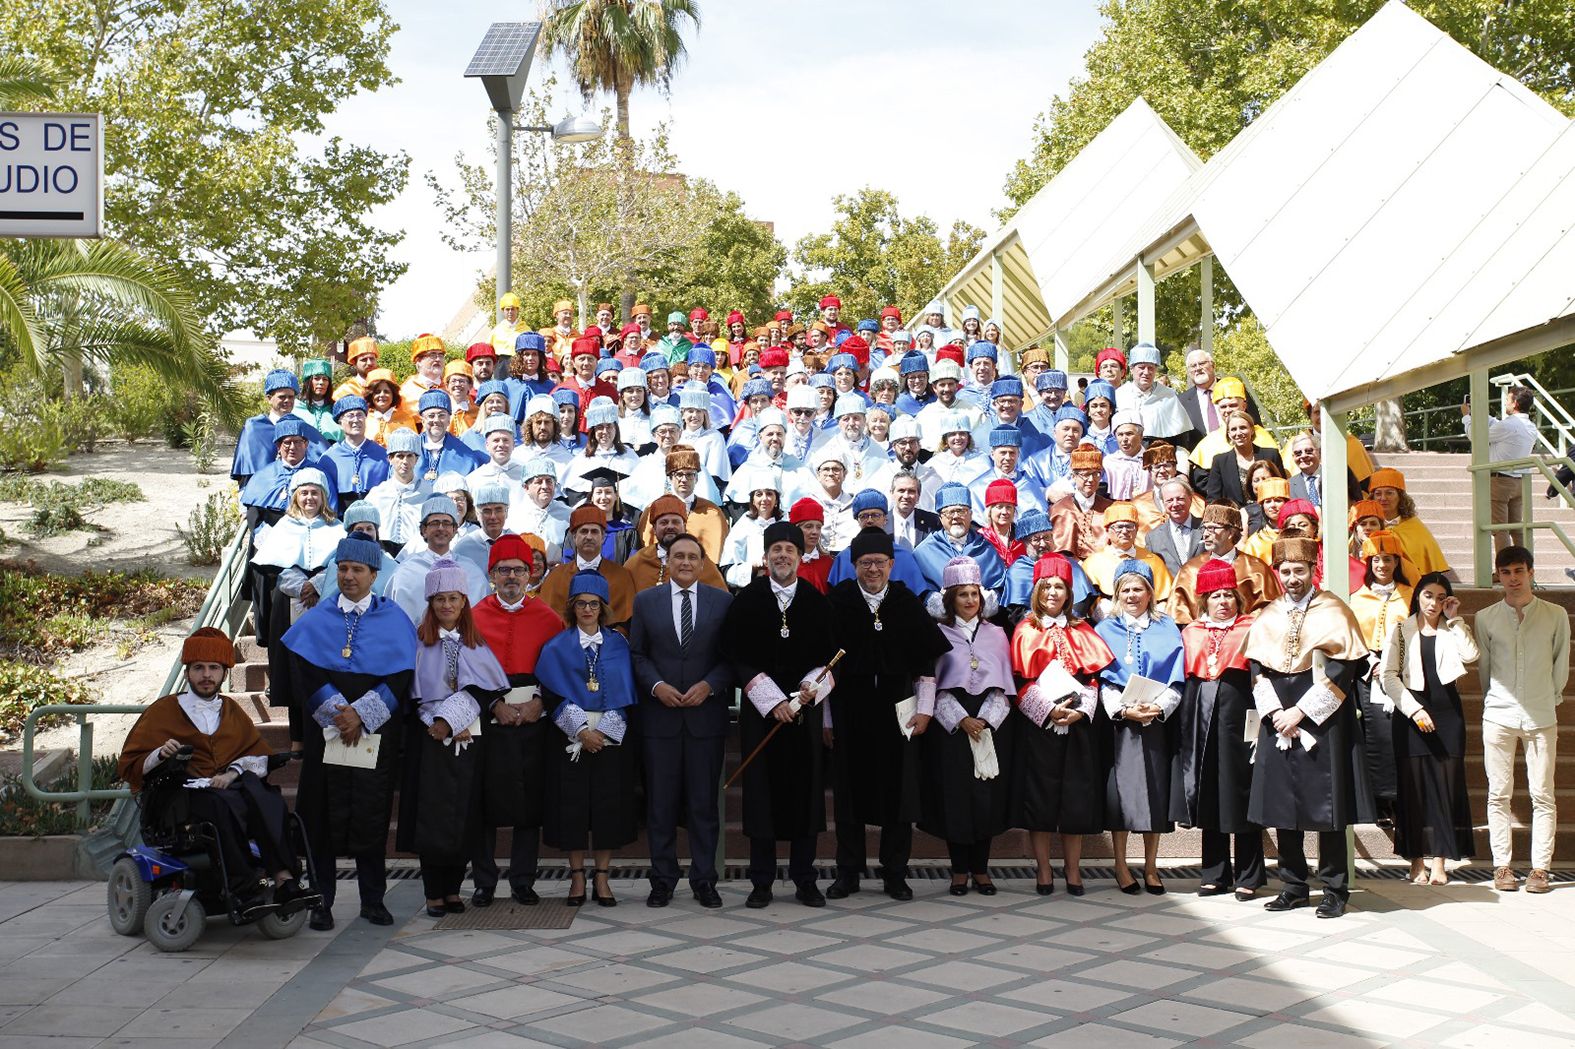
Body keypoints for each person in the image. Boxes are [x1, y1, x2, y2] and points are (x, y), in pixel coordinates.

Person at [118, 628, 316, 914]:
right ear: (187, 673)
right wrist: (160, 754)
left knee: (265, 796)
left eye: (214, 668)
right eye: (199, 668)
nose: (206, 675)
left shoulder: (232, 710)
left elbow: (256, 753)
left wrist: (232, 773)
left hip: (227, 787)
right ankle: (241, 884)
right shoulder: (163, 711)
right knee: (221, 803)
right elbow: (130, 764)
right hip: (180, 794)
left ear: (224, 673)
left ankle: (283, 877)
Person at [278, 535, 417, 930]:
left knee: (371, 815)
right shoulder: (318, 619)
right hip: (328, 733)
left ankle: (373, 899)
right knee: (320, 818)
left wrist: (364, 715)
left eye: (357, 570)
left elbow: (401, 675)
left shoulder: (393, 619)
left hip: (374, 735)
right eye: (342, 569)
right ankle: (322, 900)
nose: (348, 576)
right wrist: (341, 715)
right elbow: (305, 673)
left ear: (374, 574)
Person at [1244, 537, 1371, 919]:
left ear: (1312, 570)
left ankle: (1335, 887)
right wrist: (1275, 714)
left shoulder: (1334, 609)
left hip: (1322, 717)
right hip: (1277, 717)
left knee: (1326, 804)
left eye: (1299, 570)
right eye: (1285, 571)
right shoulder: (1268, 614)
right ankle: (1293, 885)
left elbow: (1343, 670)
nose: (1292, 577)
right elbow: (1257, 670)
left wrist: (1300, 712)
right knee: (1284, 803)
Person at [824, 528, 951, 901]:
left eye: (880, 562)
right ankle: (848, 872)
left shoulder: (906, 602)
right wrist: (827, 719)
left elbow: (925, 664)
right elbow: (826, 667)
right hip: (850, 711)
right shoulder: (839, 602)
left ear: (892, 564)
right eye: (866, 563)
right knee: (849, 796)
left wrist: (926, 710)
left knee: (900, 794)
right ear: (854, 566)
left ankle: (895, 873)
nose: (874, 569)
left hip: (899, 713)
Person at [725, 521, 838, 908]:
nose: (783, 557)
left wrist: (810, 689)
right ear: (766, 556)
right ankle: (761, 882)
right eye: (776, 551)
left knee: (806, 797)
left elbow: (830, 658)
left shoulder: (816, 600)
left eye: (789, 551)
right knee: (762, 796)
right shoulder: (747, 600)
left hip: (804, 715)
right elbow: (737, 656)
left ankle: (806, 879)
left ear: (799, 556)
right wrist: (773, 701)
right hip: (763, 715)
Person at [630, 534, 734, 908]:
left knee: (704, 806)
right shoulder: (646, 601)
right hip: (661, 720)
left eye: (692, 556)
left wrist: (711, 685)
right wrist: (656, 686)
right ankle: (663, 879)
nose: (685, 562)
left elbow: (730, 658)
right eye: (678, 556)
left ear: (703, 563)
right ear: (667, 562)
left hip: (705, 719)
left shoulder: (722, 602)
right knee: (660, 805)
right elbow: (637, 654)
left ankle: (705, 879)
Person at [399, 560, 509, 917]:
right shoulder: (417, 643)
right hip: (429, 741)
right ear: (430, 604)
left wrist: (456, 717)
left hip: (468, 740)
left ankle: (453, 889)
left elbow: (484, 690)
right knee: (434, 815)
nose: (447, 606)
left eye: (454, 599)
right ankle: (433, 890)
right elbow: (413, 694)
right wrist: (438, 721)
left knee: (463, 814)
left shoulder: (476, 645)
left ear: (464, 603)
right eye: (439, 599)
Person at [1009, 554, 1113, 894]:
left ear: (1069, 593)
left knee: (1076, 798)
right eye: (1047, 586)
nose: (1053, 593)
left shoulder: (1083, 629)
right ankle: (1042, 870)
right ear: (1037, 590)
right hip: (1040, 726)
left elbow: (1094, 679)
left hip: (1078, 724)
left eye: (1060, 587)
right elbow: (1019, 681)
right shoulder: (1026, 630)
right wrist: (1048, 711)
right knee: (1040, 798)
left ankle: (1073, 870)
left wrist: (1081, 711)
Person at [535, 571, 640, 907]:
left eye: (593, 604)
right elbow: (550, 694)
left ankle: (603, 878)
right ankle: (577, 877)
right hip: (570, 737)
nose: (587, 610)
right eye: (581, 604)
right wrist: (581, 731)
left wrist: (603, 732)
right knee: (573, 807)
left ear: (603, 608)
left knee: (609, 806)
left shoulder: (618, 645)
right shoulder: (556, 646)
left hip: (611, 736)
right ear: (572, 608)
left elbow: (627, 694)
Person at [1473, 545, 1569, 893]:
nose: (1513, 579)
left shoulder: (1555, 614)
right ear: (1498, 575)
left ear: (1530, 572)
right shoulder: (1485, 617)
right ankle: (1502, 867)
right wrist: (1492, 701)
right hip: (1498, 713)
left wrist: (1549, 696)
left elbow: (1561, 663)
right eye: (1506, 572)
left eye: (1519, 571)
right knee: (1498, 792)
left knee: (1542, 793)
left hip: (1541, 712)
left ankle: (1540, 868)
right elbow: (1484, 667)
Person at [920, 557, 1016, 896]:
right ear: (950, 599)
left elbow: (1005, 683)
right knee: (955, 794)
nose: (970, 601)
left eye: (974, 594)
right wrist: (961, 719)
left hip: (990, 720)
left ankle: (982, 870)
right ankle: (959, 870)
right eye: (963, 595)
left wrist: (985, 719)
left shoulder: (997, 633)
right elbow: (932, 681)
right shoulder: (937, 633)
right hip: (951, 722)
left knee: (985, 794)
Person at [1379, 572, 1479, 885]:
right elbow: (1388, 677)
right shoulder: (1400, 630)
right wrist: (1414, 709)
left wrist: (1456, 619)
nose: (1433, 602)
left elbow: (1471, 655)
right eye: (1427, 595)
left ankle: (1440, 862)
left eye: (1440, 597)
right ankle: (1416, 861)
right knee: (1413, 792)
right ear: (1417, 596)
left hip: (1448, 717)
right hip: (1411, 717)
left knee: (1445, 791)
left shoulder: (1452, 629)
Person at [1173, 560, 1264, 899]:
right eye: (1215, 596)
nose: (1223, 601)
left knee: (1242, 790)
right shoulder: (1191, 631)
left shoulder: (1252, 627)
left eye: (1228, 595)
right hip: (1201, 718)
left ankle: (1249, 875)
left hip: (1241, 715)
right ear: (1204, 601)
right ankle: (1214, 872)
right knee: (1209, 790)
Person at [1095, 560, 1185, 895]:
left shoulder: (1167, 628)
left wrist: (1158, 706)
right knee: (1121, 796)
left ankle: (1150, 866)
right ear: (1117, 594)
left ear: (1150, 592)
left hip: (1155, 721)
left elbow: (1176, 677)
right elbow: (1102, 678)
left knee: (1155, 794)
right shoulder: (1106, 630)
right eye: (1126, 590)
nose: (1133, 595)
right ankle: (1120, 865)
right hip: (1121, 724)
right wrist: (1122, 710)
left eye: (1139, 589)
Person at [1348, 531, 1413, 824]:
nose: (1382, 565)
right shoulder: (1356, 597)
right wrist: (1371, 662)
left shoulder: (1410, 594)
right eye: (1377, 559)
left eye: (1388, 559)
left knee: (1400, 733)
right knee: (1375, 735)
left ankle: (1403, 799)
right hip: (1368, 671)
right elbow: (1351, 637)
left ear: (1397, 562)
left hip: (1403, 671)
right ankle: (1379, 800)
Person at [1169, 502, 1281, 625]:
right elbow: (1179, 614)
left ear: (1231, 533)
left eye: (1212, 528)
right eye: (1205, 528)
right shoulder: (1190, 570)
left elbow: (1269, 611)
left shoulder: (1255, 569)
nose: (1205, 534)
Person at [384, 496, 491, 624]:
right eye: (434, 523)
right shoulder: (406, 572)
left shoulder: (471, 571)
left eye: (446, 523)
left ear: (454, 529)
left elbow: (484, 619)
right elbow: (393, 620)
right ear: (424, 530)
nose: (441, 528)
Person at [1462, 385, 1539, 549]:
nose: (1505, 404)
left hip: (1500, 482)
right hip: (1519, 482)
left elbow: (1476, 435)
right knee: (1517, 528)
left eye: (1507, 400)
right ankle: (1524, 567)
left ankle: (1504, 569)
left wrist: (1466, 418)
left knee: (1499, 529)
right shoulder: (1530, 427)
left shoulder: (1509, 426)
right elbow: (1498, 425)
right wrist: (1479, 412)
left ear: (1515, 403)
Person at [537, 504, 637, 630]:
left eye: (594, 531)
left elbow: (626, 624)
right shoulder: (555, 577)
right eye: (584, 531)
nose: (589, 537)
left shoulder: (621, 576)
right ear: (574, 537)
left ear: (603, 537)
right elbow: (547, 623)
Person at [912, 483, 1008, 601]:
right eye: (950, 512)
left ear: (971, 515)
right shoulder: (924, 552)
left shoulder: (986, 548)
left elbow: (1000, 588)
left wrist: (988, 601)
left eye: (961, 511)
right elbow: (918, 591)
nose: (956, 517)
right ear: (941, 518)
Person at [1365, 468, 1450, 577]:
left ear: (1400, 497)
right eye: (1378, 494)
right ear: (1372, 497)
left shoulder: (1414, 526)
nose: (1383, 498)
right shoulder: (1367, 525)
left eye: (1389, 493)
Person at [320, 396, 390, 513]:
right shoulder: (329, 458)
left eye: (359, 415)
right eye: (350, 416)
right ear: (340, 422)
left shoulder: (382, 455)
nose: (356, 420)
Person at [1049, 448, 1113, 560]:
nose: (1091, 479)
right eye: (1086, 474)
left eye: (1096, 474)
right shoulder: (1059, 509)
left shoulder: (1110, 508)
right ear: (1074, 476)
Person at [1142, 478, 1203, 576]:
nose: (1175, 504)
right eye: (1169, 500)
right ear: (1163, 503)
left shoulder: (1207, 529)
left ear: (1190, 499)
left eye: (1180, 499)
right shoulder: (1153, 538)